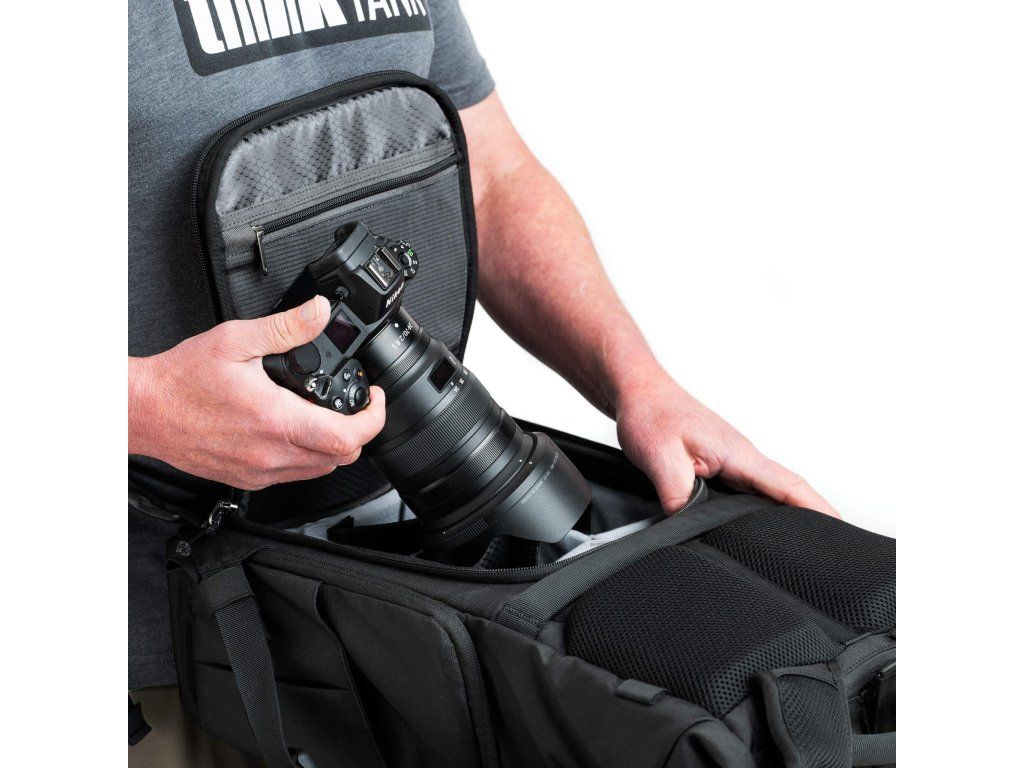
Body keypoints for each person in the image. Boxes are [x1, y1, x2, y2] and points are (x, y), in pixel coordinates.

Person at [129, 1, 838, 764]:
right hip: (166, 641)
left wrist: (639, 384)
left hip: (411, 599)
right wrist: (143, 408)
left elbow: (494, 178)